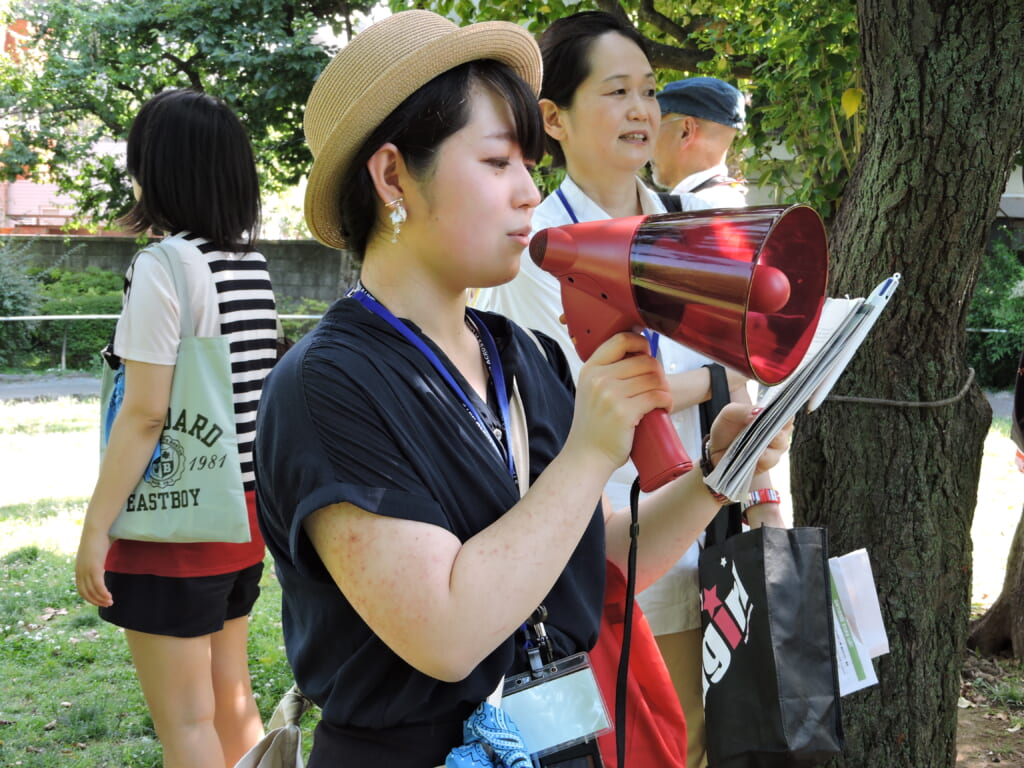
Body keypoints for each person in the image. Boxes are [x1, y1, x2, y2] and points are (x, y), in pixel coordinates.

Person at [254, 10, 790, 768]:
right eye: (497, 162)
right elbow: (445, 634)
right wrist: (589, 452)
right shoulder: (326, 384)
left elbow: (602, 557)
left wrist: (717, 474)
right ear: (393, 176)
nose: (528, 194)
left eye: (529, 167)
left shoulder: (521, 354)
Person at [473, 15, 783, 768]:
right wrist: (705, 383)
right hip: (609, 555)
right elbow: (562, 407)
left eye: (649, 90)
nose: (642, 109)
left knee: (717, 742)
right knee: (647, 745)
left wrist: (762, 489)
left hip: (716, 536)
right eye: (616, 92)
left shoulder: (693, 225)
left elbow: (738, 371)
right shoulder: (537, 250)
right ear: (554, 118)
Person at [75, 89, 277, 768]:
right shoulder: (249, 265)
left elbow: (145, 412)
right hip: (243, 513)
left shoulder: (161, 265)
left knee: (187, 724)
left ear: (158, 170)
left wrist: (97, 527)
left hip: (175, 520)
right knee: (230, 700)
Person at [651, 76, 748, 208]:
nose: (648, 141)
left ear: (686, 131)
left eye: (655, 128)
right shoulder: (725, 201)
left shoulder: (699, 206)